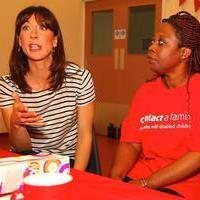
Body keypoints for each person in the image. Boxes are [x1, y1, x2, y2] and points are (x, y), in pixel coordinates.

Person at [110, 11, 200, 199]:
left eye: (161, 43)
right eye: (152, 41)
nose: (151, 47)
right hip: (140, 178)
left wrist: (146, 183)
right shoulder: (146, 91)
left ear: (184, 52)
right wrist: (115, 178)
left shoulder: (197, 88)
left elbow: (197, 155)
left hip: (184, 185)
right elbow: (130, 144)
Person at [0, 6, 95, 171]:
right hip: (27, 162)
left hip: (67, 162)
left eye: (42, 27)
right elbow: (21, 147)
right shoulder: (7, 84)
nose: (34, 35)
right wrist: (16, 124)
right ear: (19, 41)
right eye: (26, 28)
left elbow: (85, 136)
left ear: (55, 40)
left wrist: (77, 178)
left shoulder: (79, 77)